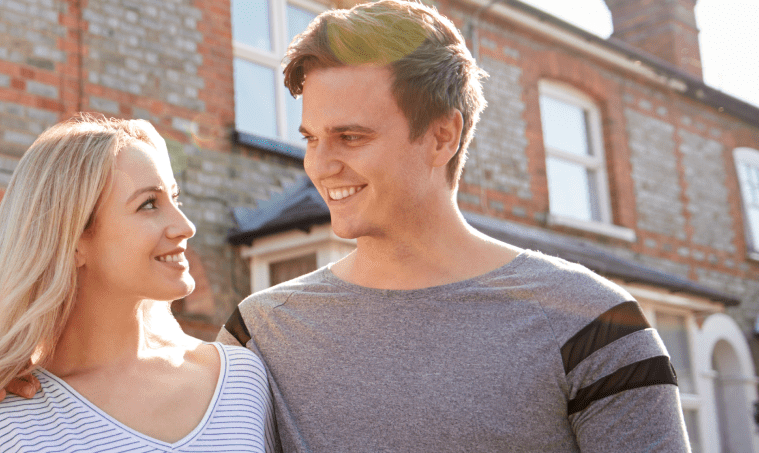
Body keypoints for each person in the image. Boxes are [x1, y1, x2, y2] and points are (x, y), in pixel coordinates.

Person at [217, 1, 688, 451]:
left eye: (351, 137)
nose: (320, 166)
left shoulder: (595, 323)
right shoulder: (257, 334)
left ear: (443, 136)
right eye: (311, 139)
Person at [0, 115, 273, 453]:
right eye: (149, 204)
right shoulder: (6, 430)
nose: (185, 226)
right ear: (73, 241)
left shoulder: (242, 379)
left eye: (174, 198)